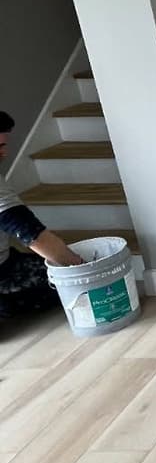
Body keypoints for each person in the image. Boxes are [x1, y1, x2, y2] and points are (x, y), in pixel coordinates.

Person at [0, 109, 83, 318]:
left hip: (7, 262)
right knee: (66, 285)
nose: (4, 153)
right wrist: (80, 268)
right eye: (0, 146)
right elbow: (29, 232)